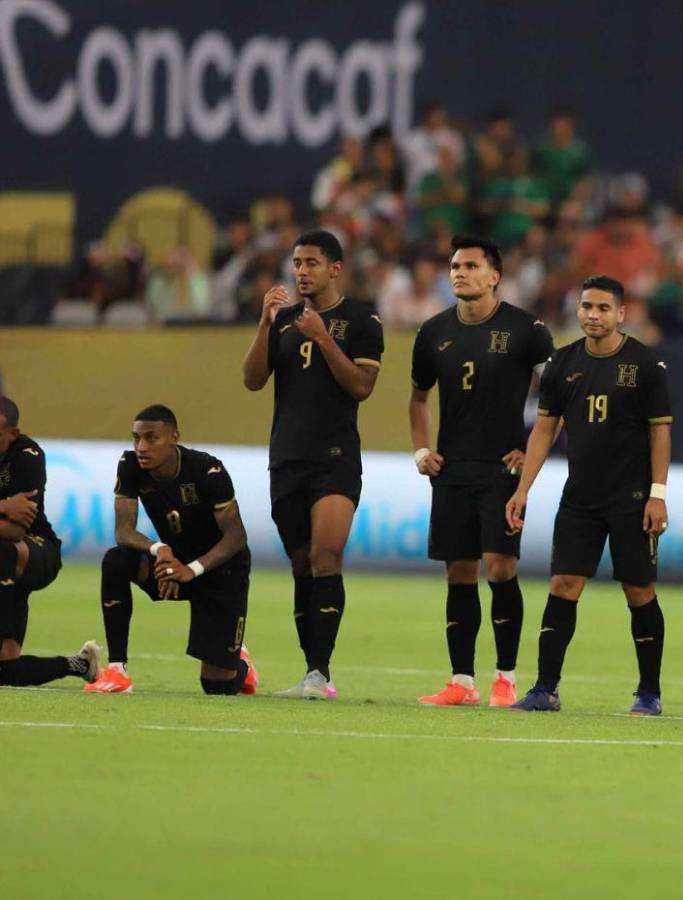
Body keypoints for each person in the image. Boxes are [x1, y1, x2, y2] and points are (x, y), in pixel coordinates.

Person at [505, 275, 671, 715]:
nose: (592, 316)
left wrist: (657, 494)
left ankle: (649, 693)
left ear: (621, 313)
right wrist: (523, 488)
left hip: (632, 498)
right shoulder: (561, 364)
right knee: (563, 584)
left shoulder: (645, 365)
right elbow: (544, 429)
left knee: (639, 590)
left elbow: (661, 434)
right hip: (580, 496)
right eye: (586, 307)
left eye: (602, 308)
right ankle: (545, 689)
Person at [409, 235, 555, 707]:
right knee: (459, 573)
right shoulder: (432, 332)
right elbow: (417, 398)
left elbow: (558, 399)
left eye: (470, 265)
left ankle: (506, 678)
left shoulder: (526, 330)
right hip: (451, 470)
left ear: (494, 276)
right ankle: (461, 682)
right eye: (454, 265)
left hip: (501, 470)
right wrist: (421, 452)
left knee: (500, 567)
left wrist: (528, 455)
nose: (459, 272)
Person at [242, 229, 384, 700]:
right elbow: (253, 381)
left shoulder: (362, 319)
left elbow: (361, 386)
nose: (302, 271)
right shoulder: (281, 320)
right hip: (286, 457)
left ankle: (321, 674)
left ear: (335, 269)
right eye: (297, 263)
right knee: (301, 563)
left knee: (326, 554)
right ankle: (311, 672)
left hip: (335, 459)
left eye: (311, 263)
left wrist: (323, 338)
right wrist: (264, 325)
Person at [86, 405, 257, 696]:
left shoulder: (207, 471)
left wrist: (193, 569)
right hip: (174, 564)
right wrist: (159, 548)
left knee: (217, 686)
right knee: (116, 561)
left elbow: (236, 537)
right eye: (136, 438)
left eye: (151, 438)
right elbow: (123, 532)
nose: (141, 447)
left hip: (220, 569)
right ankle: (117, 670)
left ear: (174, 437)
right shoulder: (130, 466)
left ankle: (240, 661)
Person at [0, 396, 101, 688]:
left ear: (13, 434)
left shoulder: (27, 456)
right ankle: (79, 664)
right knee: (7, 672)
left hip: (36, 550)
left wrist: (8, 514)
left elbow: (14, 532)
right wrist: (5, 504)